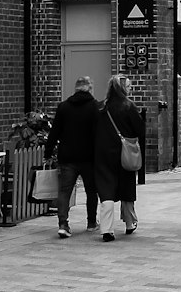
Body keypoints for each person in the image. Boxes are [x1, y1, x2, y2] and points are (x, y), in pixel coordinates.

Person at [45, 75, 100, 238]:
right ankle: (91, 222)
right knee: (91, 191)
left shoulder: (64, 107)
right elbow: (98, 134)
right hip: (89, 157)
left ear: (75, 89)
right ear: (90, 88)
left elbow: (54, 133)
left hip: (67, 156)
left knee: (64, 191)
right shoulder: (94, 107)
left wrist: (48, 152)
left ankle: (63, 224)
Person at [93, 74, 145, 241]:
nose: (130, 90)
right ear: (122, 89)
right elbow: (139, 130)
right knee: (127, 187)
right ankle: (130, 223)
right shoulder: (129, 106)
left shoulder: (101, 107)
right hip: (124, 153)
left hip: (102, 154)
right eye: (129, 87)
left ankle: (106, 230)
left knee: (106, 190)